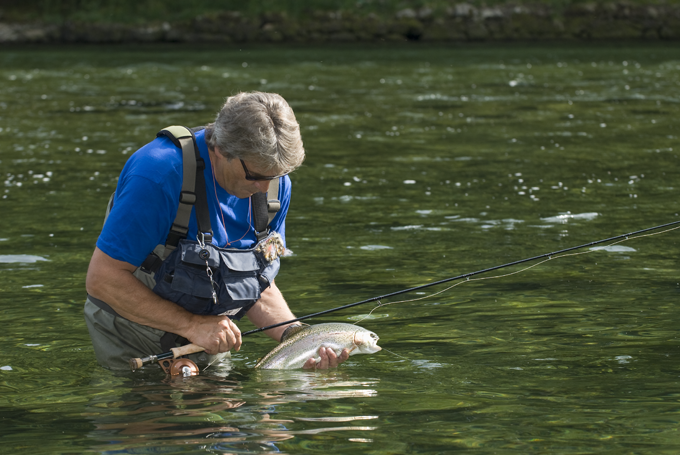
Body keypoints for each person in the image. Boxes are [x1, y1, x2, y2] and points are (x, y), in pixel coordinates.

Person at [84, 91, 349, 370]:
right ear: (220, 150)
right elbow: (104, 279)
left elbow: (255, 282)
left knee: (230, 410)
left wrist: (297, 339)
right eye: (256, 176)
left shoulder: (274, 185)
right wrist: (191, 324)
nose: (264, 187)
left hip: (210, 335)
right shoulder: (158, 173)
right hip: (135, 334)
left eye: (276, 175)